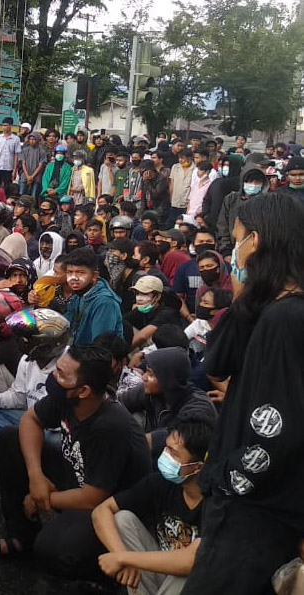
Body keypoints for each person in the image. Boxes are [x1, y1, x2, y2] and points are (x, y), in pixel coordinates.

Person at [184, 194, 304, 593]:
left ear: (255, 242)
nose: (231, 253)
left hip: (254, 512)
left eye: (235, 241)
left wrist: (226, 480)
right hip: (255, 505)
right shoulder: (270, 310)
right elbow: (217, 364)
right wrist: (242, 293)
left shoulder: (286, 319)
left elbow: (275, 430)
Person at [0, 345, 151, 582]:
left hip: (108, 509)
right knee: (9, 438)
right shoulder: (67, 397)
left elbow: (92, 498)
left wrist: (41, 499)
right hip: (78, 480)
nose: (53, 377)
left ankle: (107, 576)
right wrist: (36, 477)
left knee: (53, 549)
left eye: (61, 374)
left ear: (84, 390)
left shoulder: (110, 427)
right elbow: (30, 420)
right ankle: (21, 537)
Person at [92, 411, 215, 595]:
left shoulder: (217, 502)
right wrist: (121, 556)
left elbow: (191, 560)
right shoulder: (161, 483)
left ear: (198, 467)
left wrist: (124, 558)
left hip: (198, 583)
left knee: (187, 572)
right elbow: (102, 511)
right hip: (162, 576)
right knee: (122, 519)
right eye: (166, 448)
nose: (165, 456)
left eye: (174, 453)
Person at [0, 308, 71, 441]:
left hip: (56, 429)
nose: (20, 342)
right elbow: (17, 396)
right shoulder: (28, 361)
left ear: (43, 345)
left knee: (53, 441)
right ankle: (16, 440)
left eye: (26, 339)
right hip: (31, 420)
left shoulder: (69, 363)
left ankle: (12, 441)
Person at [64, 247, 123, 346]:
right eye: (70, 272)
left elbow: (100, 346)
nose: (74, 278)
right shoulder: (79, 294)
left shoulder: (104, 302)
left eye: (80, 273)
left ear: (94, 276)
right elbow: (66, 323)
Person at [215, 159, 267, 255]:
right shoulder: (231, 199)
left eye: (257, 182)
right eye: (250, 181)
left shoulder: (267, 202)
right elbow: (223, 226)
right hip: (233, 249)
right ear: (243, 181)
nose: (254, 184)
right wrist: (226, 250)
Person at [0, 117, 21, 191]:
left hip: (8, 168)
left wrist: (14, 170)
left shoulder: (16, 139)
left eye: (6, 125)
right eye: (3, 125)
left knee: (8, 188)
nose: (4, 127)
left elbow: (16, 155)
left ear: (10, 126)